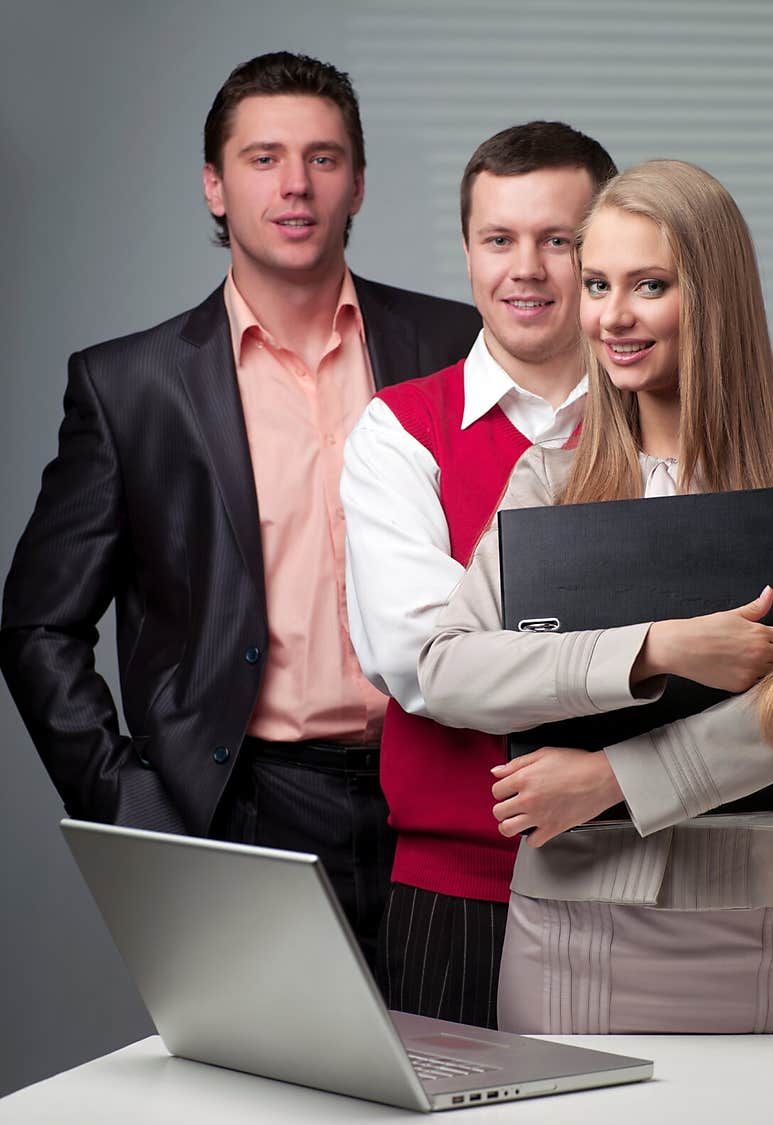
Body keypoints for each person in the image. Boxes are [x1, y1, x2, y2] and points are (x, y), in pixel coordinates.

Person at [0, 51, 479, 969]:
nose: (295, 185)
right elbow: (37, 625)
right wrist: (132, 800)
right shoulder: (129, 386)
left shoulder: (453, 346)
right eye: (263, 159)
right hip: (248, 805)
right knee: (271, 1104)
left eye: (323, 158)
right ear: (215, 187)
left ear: (360, 185)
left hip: (441, 786)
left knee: (461, 1085)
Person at [418, 160, 773, 1034]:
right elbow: (447, 669)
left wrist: (609, 780)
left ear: (714, 299)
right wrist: (653, 649)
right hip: (567, 927)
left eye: (649, 285)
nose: (612, 316)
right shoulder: (546, 480)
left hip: (760, 927)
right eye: (596, 285)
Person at [342, 121, 617, 1025]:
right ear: (467, 252)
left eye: (560, 240)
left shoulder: (677, 424)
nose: (526, 268)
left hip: (651, 884)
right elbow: (425, 664)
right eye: (500, 239)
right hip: (457, 892)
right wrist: (646, 650)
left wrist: (505, 645)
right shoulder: (398, 432)